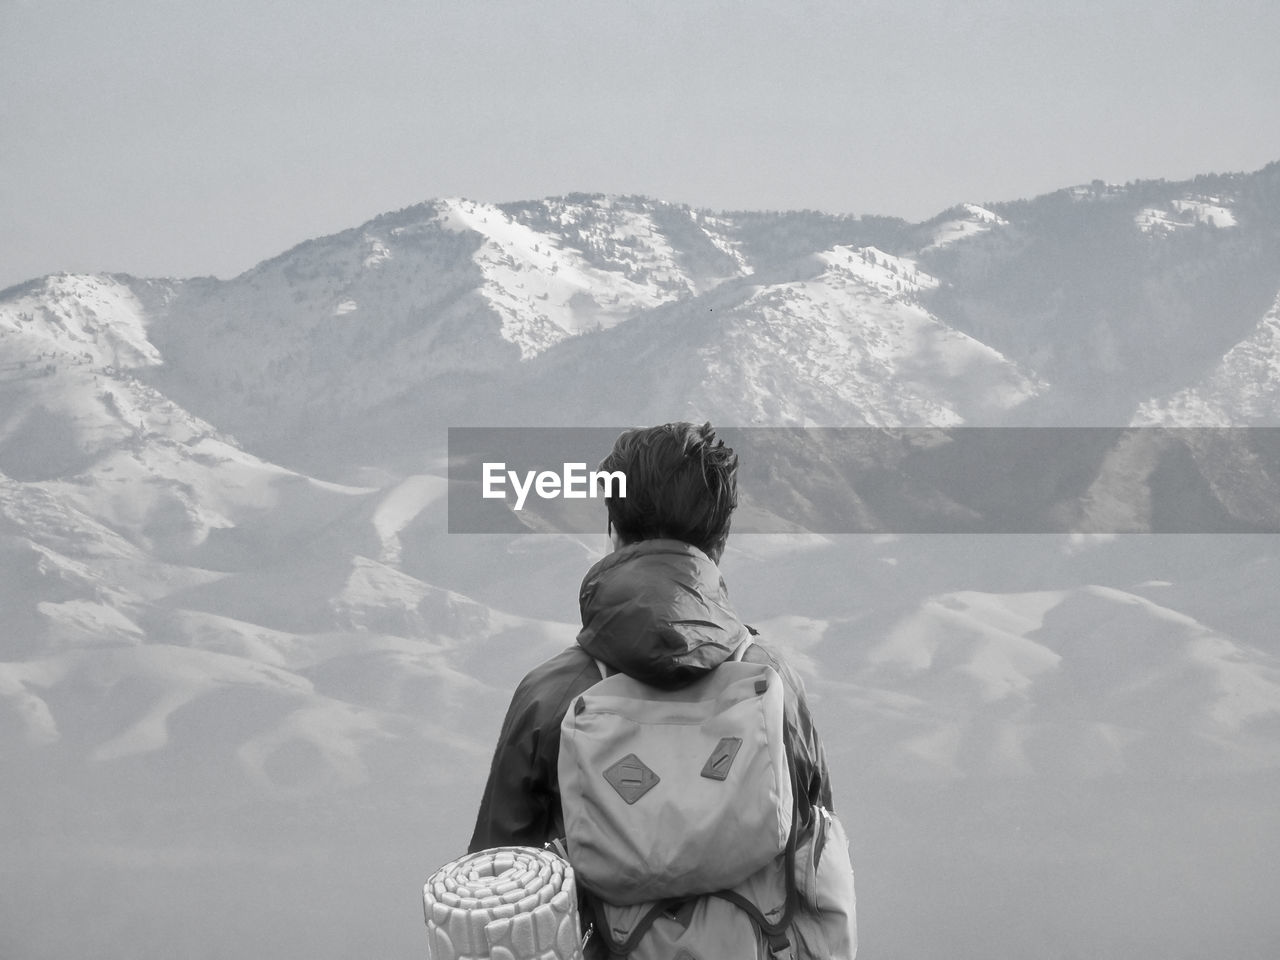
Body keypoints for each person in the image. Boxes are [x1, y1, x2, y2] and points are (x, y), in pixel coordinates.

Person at [468, 421, 854, 957]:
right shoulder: (772, 682)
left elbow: (492, 892)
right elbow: (814, 853)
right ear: (719, 542)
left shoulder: (551, 696)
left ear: (614, 531)